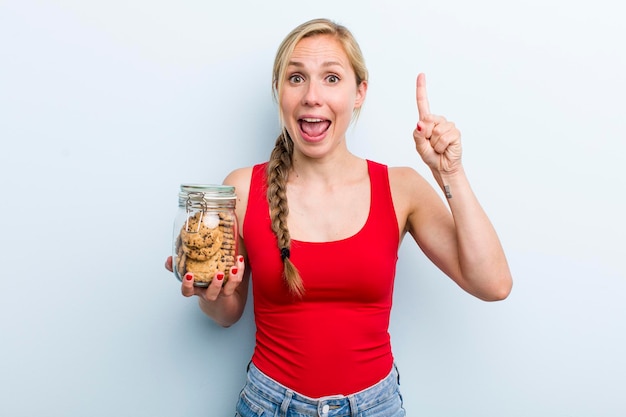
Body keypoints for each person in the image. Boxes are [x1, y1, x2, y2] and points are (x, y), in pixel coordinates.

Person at [165, 17, 512, 416]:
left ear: (359, 92)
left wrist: (448, 172)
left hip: (375, 406)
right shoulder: (241, 189)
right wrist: (213, 295)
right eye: (296, 78)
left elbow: (494, 284)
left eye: (331, 78)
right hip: (268, 405)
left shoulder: (401, 188)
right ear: (279, 91)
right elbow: (227, 314)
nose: (312, 96)